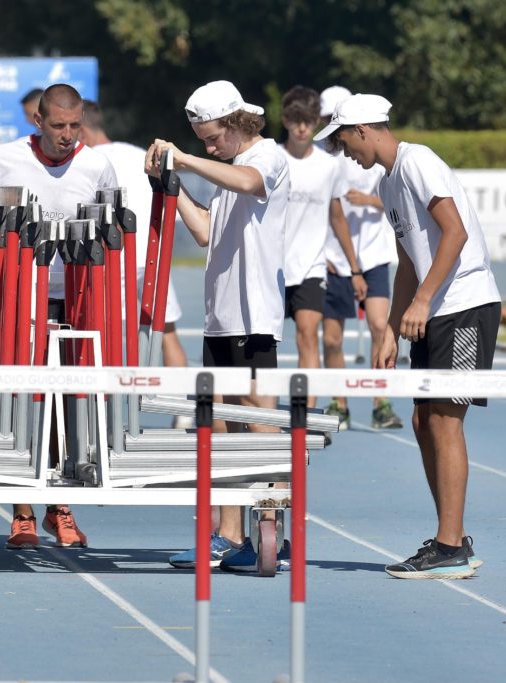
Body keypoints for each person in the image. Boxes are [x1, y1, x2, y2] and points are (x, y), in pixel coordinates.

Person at [318, 94, 499, 578]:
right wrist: (390, 331)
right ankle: (452, 539)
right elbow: (407, 262)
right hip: (433, 308)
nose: (346, 154)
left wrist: (422, 302)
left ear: (363, 130)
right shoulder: (388, 181)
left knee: (444, 421)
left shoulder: (418, 162)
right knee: (422, 422)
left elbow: (455, 233)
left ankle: (449, 546)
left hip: (464, 305)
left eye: (345, 142)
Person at [146, 80, 290, 572]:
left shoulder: (266, 157)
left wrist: (186, 159)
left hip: (253, 318)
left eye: (212, 139)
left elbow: (250, 182)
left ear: (235, 123)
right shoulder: (227, 168)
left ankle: (268, 533)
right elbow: (206, 231)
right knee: (223, 430)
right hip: (220, 319)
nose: (209, 148)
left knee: (260, 425)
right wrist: (173, 184)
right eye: (201, 142)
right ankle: (228, 535)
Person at [0, 83, 118, 550]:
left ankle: (59, 505)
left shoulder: (97, 165)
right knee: (24, 401)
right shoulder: (2, 159)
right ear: (38, 121)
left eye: (75, 125)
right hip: (16, 296)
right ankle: (23, 512)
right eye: (58, 126)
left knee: (67, 402)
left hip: (74, 297)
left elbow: (111, 229)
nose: (68, 135)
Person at [79, 100, 190, 426]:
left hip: (114, 258)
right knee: (167, 333)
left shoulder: (88, 162)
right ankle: (182, 410)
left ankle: (103, 412)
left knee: (102, 334)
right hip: (151, 256)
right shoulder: (138, 153)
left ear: (82, 130)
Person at [317, 86, 402, 430]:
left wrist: (369, 201)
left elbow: (397, 198)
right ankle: (339, 403)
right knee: (332, 338)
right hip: (336, 258)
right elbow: (327, 213)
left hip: (375, 253)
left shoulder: (372, 155)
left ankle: (381, 402)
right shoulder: (327, 162)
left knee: (380, 326)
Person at [278, 86, 364, 408]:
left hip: (311, 267)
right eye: (296, 120)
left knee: (307, 335)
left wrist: (354, 268)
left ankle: (306, 411)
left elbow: (337, 217)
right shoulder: (272, 159)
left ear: (316, 121)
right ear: (285, 120)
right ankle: (257, 407)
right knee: (264, 342)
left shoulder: (329, 166)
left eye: (308, 121)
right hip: (272, 266)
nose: (302, 128)